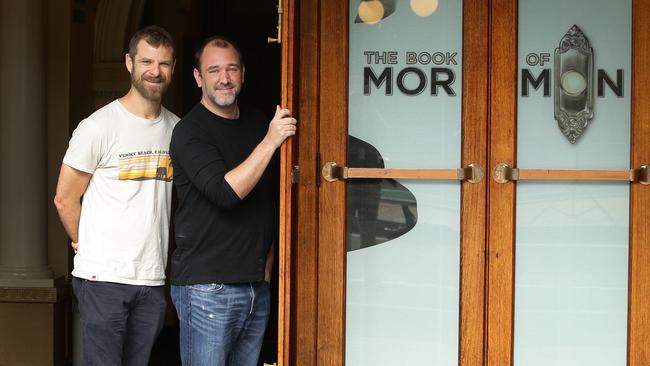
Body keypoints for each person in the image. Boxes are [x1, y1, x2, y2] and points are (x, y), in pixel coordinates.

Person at [53, 25, 179, 366]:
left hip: (151, 279)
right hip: (103, 278)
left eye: (164, 63)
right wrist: (84, 241)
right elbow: (65, 198)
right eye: (146, 61)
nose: (155, 71)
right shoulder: (98, 126)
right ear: (129, 63)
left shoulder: (177, 131)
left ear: (173, 68)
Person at [169, 35, 296, 366]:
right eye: (213, 70)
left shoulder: (256, 122)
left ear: (243, 74)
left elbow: (269, 199)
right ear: (198, 78)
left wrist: (265, 268)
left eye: (232, 69)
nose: (224, 78)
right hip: (207, 289)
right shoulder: (189, 132)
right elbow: (226, 194)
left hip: (256, 286)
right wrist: (270, 141)